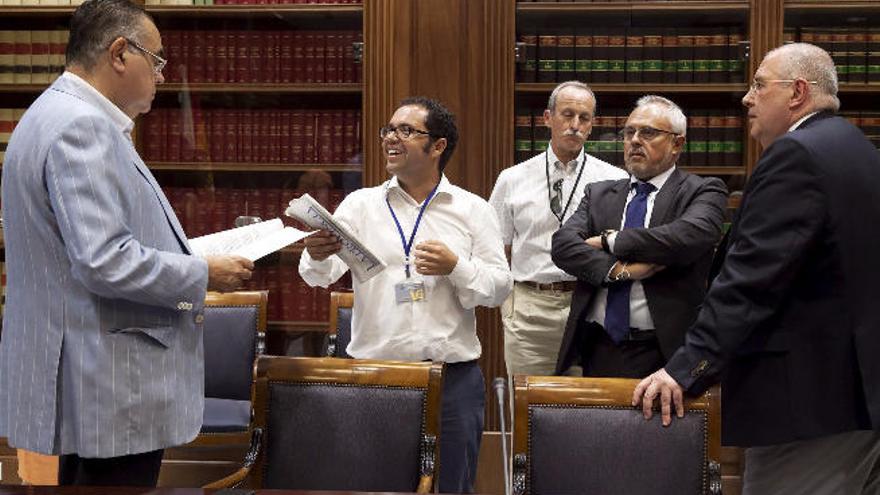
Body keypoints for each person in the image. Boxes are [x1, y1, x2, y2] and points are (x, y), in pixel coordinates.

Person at [0, 0, 253, 487]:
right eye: (156, 60)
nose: (161, 75)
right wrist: (203, 272)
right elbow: (104, 261)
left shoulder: (46, 113)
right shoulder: (82, 126)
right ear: (120, 53)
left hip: (83, 374)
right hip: (109, 383)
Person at [634, 43, 880, 494]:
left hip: (809, 408)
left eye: (759, 85)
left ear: (798, 92)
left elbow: (751, 280)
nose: (747, 98)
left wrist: (685, 368)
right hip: (857, 399)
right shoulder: (859, 151)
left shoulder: (796, 156)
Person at [299, 97, 511, 493]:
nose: (391, 138)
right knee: (371, 485)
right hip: (375, 375)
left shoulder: (473, 210)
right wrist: (314, 254)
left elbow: (500, 287)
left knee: (452, 484)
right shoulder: (361, 205)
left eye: (406, 131)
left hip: (452, 379)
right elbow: (320, 276)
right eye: (388, 130)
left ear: (438, 146)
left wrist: (456, 267)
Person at [551, 95, 727, 378]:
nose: (634, 140)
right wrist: (621, 271)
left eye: (648, 133)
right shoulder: (599, 193)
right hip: (600, 346)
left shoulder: (702, 191)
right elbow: (562, 246)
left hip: (667, 349)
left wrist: (611, 241)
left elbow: (687, 236)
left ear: (677, 143)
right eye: (629, 132)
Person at [489, 81, 627, 378]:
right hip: (529, 309)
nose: (575, 125)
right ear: (547, 118)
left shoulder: (614, 180)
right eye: (567, 114)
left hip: (587, 304)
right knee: (526, 409)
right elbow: (497, 247)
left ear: (592, 126)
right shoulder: (512, 179)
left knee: (580, 414)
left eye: (584, 118)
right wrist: (508, 302)